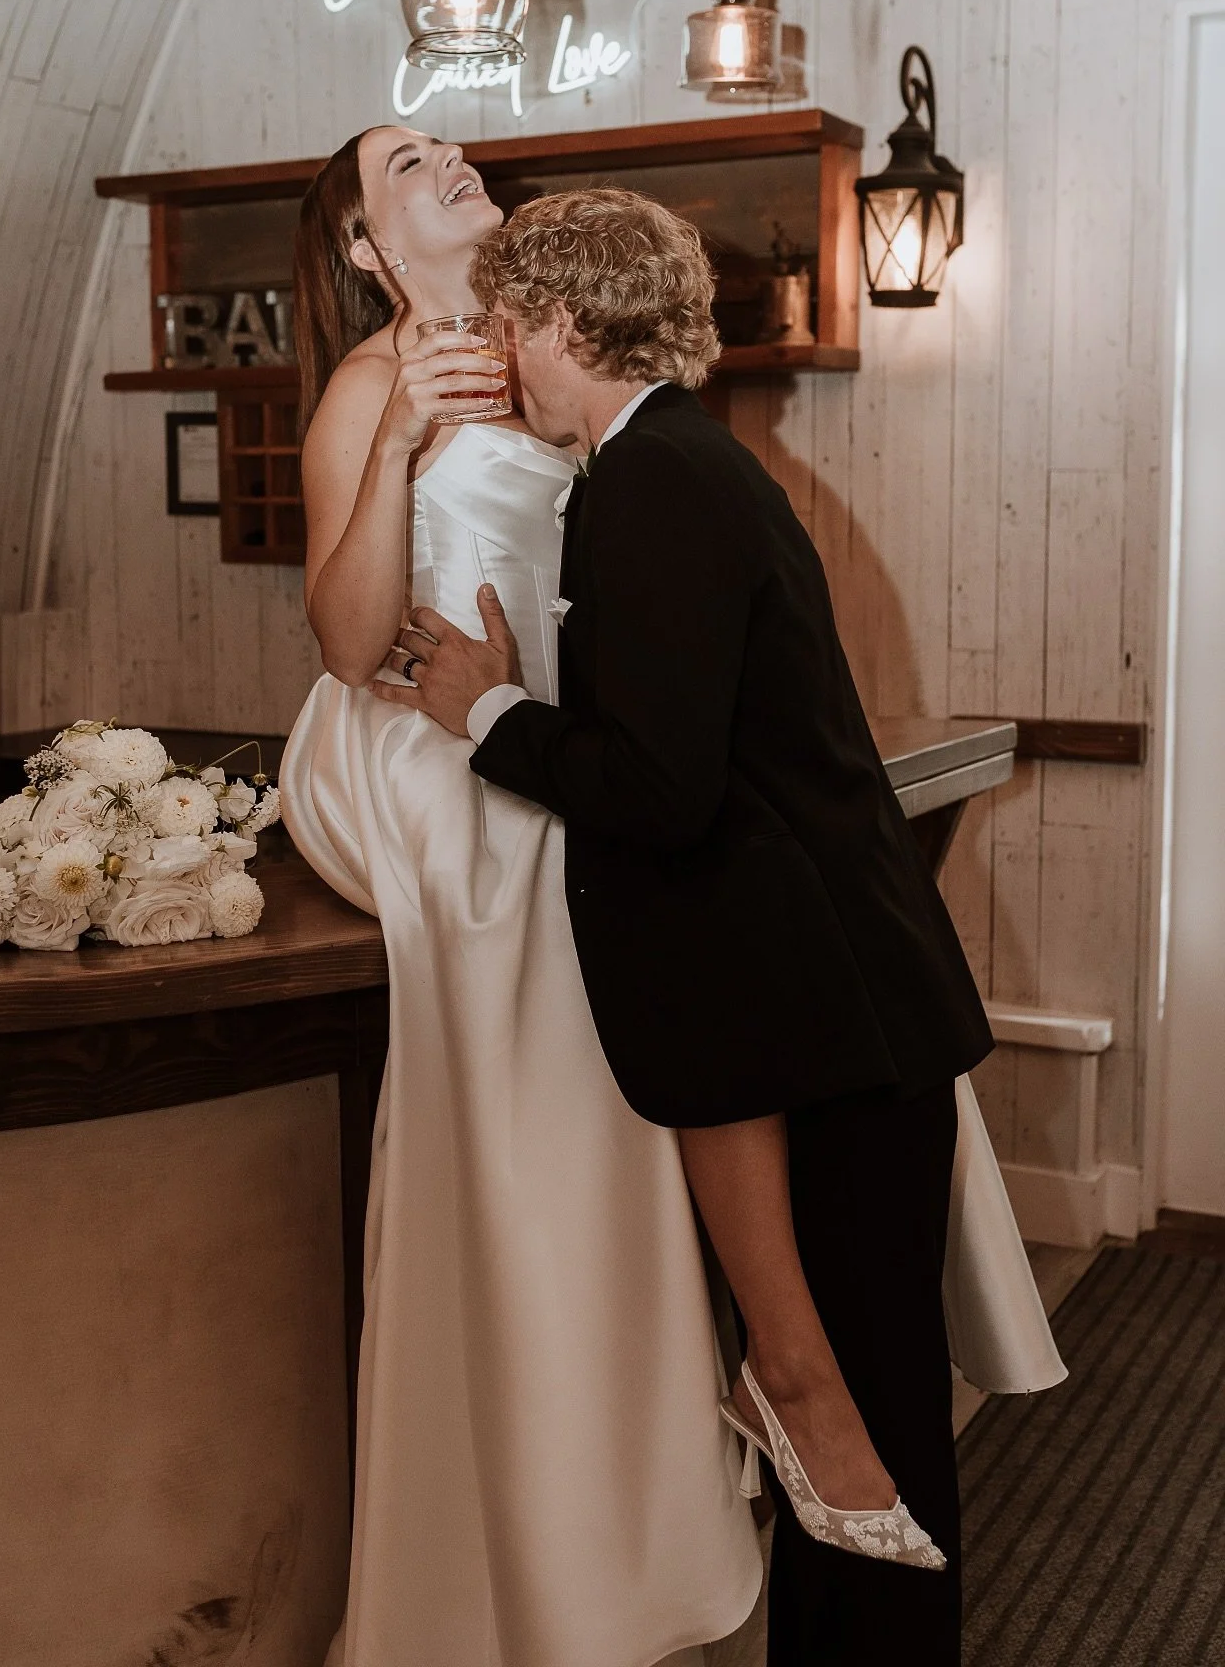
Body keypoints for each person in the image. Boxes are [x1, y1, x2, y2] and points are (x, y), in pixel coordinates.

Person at [371, 184, 1065, 1667]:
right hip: (822, 1011)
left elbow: (661, 792)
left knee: (867, 1420)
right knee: (847, 1419)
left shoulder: (651, 484)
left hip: (827, 1026)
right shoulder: (676, 464)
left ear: (563, 321)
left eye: (508, 323)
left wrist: (478, 709)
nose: (499, 350)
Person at [279, 127, 762, 1667]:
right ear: (368, 249)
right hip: (413, 742)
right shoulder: (375, 379)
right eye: (408, 163)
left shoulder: (553, 346)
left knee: (634, 1011)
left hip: (546, 736)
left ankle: (623, 1500)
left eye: (451, 145)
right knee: (517, 950)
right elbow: (350, 645)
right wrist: (404, 445)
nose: (450, 160)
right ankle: (504, 1536)